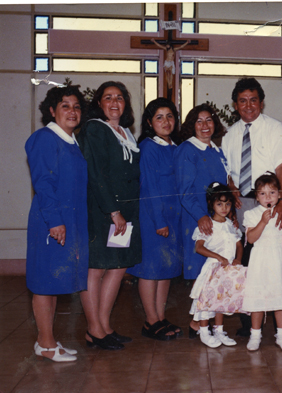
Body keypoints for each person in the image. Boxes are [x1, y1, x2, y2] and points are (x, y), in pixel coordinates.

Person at [221, 77, 282, 341]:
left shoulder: (275, 129)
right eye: (243, 101)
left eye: (253, 100)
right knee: (249, 261)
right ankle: (248, 324)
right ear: (235, 105)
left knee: (277, 262)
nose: (248, 105)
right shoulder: (229, 135)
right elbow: (228, 171)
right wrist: (231, 188)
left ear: (261, 103)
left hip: (271, 201)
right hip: (243, 203)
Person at [26, 85, 88, 362]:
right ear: (52, 111)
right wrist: (54, 221)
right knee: (44, 282)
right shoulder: (44, 138)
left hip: (67, 221)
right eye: (65, 105)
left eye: (76, 106)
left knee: (53, 282)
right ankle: (46, 343)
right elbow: (43, 183)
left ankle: (46, 339)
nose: (72, 111)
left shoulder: (70, 141)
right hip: (50, 221)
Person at [78, 81, 141, 350]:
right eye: (108, 98)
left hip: (124, 214)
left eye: (119, 98)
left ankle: (104, 326)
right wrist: (113, 212)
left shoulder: (126, 132)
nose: (114, 102)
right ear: (99, 103)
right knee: (96, 269)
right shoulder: (95, 129)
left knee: (117, 267)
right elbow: (95, 173)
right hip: (103, 211)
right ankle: (93, 329)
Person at [126, 98, 183, 341]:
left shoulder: (176, 146)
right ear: (149, 122)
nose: (165, 121)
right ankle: (150, 320)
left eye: (169, 116)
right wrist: (159, 221)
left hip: (174, 218)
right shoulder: (149, 147)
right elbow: (149, 188)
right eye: (159, 117)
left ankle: (160, 316)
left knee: (165, 269)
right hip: (154, 218)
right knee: (150, 270)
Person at [175, 103, 228, 338]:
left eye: (209, 120)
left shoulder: (216, 150)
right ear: (191, 125)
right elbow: (184, 190)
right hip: (199, 219)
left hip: (217, 220)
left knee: (216, 273)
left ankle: (203, 323)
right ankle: (198, 323)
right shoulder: (187, 150)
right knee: (204, 273)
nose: (205, 125)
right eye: (199, 121)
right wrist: (201, 216)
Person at [242, 173, 282, 352]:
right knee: (259, 300)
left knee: (280, 300)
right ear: (256, 196)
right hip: (261, 261)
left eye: (272, 192)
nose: (268, 197)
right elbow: (251, 239)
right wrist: (262, 222)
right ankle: (255, 335)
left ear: (279, 194)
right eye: (263, 193)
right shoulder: (251, 214)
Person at [189, 182, 244, 348]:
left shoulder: (231, 225)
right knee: (206, 300)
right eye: (219, 204)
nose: (224, 208)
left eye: (227, 204)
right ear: (211, 204)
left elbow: (239, 245)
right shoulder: (207, 225)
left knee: (220, 300)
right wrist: (218, 257)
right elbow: (199, 247)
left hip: (227, 269)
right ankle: (204, 331)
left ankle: (219, 331)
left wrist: (238, 259)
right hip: (213, 268)